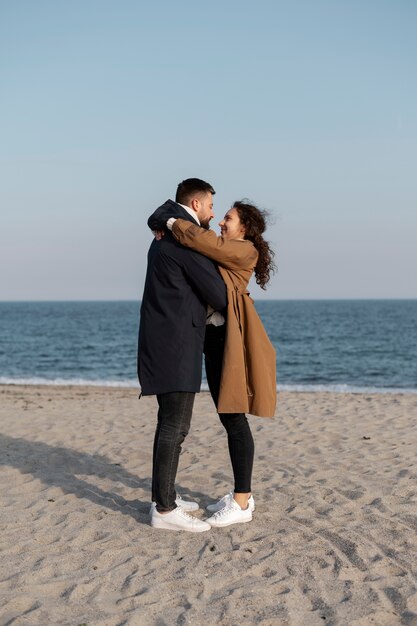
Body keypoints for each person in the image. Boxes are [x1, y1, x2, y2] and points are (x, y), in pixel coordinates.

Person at [147, 200, 276, 528]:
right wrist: (165, 221)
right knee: (227, 416)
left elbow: (203, 242)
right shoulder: (222, 249)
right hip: (211, 340)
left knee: (234, 418)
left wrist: (173, 223)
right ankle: (237, 496)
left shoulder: (245, 251)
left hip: (227, 340)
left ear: (244, 227)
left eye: (228, 219)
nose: (220, 222)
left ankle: (242, 501)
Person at [137, 178, 227, 533]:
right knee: (174, 425)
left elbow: (161, 213)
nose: (212, 213)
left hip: (169, 340)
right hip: (174, 343)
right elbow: (217, 292)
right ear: (194, 202)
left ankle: (167, 494)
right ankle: (164, 509)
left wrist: (162, 219)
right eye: (209, 206)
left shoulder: (170, 229)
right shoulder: (182, 239)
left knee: (174, 423)